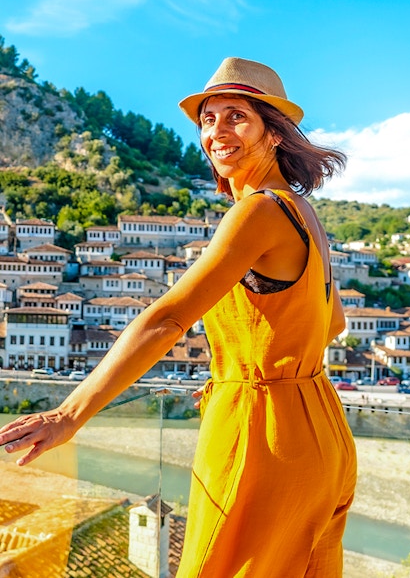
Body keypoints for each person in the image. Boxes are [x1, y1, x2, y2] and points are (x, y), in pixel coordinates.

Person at [0, 57, 357, 577]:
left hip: (264, 432)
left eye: (237, 116)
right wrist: (239, 368)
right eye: (208, 120)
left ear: (274, 132)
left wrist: (67, 416)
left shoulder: (257, 211)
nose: (217, 132)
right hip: (322, 430)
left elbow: (165, 321)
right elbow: (333, 324)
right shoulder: (302, 212)